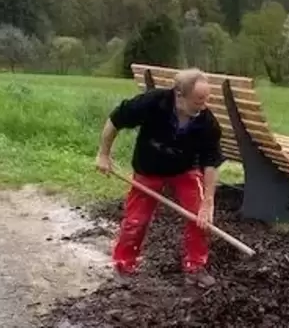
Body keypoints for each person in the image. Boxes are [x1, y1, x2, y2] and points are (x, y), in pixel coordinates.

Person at [95, 68, 224, 287]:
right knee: (136, 221)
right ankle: (123, 266)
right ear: (179, 95)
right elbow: (116, 119)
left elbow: (210, 163)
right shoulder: (153, 102)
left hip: (184, 170)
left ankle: (195, 267)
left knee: (199, 218)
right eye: (198, 100)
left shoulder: (207, 122)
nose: (203, 106)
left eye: (206, 100)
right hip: (148, 168)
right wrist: (103, 154)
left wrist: (208, 201)